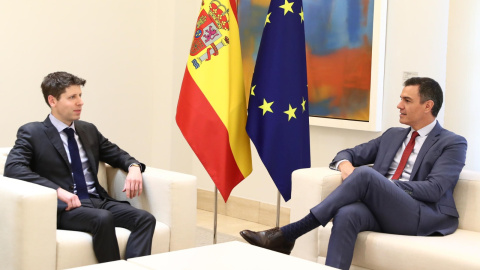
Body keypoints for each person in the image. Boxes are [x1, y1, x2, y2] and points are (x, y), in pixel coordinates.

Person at [240, 77, 467, 270]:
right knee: (348, 213)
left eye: (407, 100)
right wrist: (345, 166)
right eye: (400, 99)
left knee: (367, 176)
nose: (399, 105)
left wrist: (383, 186)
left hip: (421, 215)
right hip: (387, 210)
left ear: (428, 106)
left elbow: (435, 189)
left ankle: (288, 233)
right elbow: (346, 153)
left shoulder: (452, 143)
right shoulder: (393, 135)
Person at [4, 71, 156, 263]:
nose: (80, 102)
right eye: (72, 97)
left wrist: (134, 167)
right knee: (103, 218)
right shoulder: (33, 132)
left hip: (96, 199)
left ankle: (136, 266)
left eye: (80, 96)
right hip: (65, 207)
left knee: (145, 219)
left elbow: (117, 154)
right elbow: (13, 168)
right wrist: (58, 191)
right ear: (53, 100)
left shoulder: (87, 130)